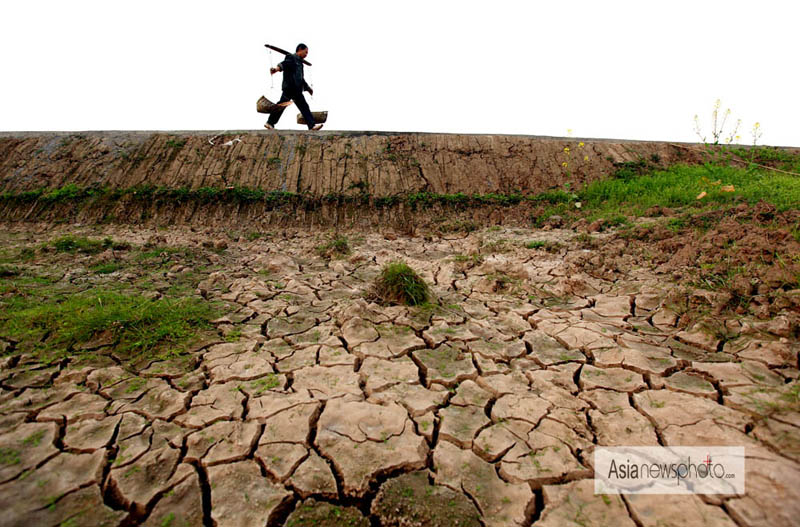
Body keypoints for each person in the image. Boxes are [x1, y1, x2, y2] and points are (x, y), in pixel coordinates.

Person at [265, 43, 323, 131]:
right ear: (300, 49)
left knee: (303, 107)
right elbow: (284, 64)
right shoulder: (291, 57)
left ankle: (311, 126)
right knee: (282, 105)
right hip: (289, 87)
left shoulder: (300, 64)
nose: (306, 54)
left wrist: (308, 88)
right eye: (306, 52)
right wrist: (276, 69)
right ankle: (269, 123)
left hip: (297, 90)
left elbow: (301, 79)